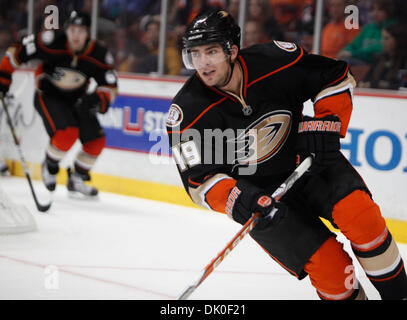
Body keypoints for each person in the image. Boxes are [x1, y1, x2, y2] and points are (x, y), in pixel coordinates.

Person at [166, 9, 407, 300]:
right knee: (331, 270)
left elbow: (335, 76)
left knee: (362, 218)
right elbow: (198, 182)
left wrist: (327, 121)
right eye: (194, 54)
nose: (202, 63)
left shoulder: (274, 61)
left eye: (211, 51)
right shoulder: (187, 112)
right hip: (261, 197)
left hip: (308, 162)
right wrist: (242, 199)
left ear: (232, 49)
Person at [0, 11, 118, 197]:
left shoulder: (99, 54)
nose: (76, 35)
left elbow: (110, 84)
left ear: (87, 32)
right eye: (72, 30)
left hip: (78, 100)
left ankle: (77, 178)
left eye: (80, 31)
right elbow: (17, 51)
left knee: (96, 141)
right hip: (48, 96)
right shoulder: (51, 42)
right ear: (66, 30)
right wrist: (3, 77)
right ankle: (51, 166)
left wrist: (98, 99)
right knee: (67, 134)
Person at [337, 0, 397, 65]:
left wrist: (353, 54)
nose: (375, 14)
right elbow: (353, 45)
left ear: (388, 11)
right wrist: (345, 51)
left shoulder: (392, 28)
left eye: (380, 10)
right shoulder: (368, 28)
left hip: (376, 63)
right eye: (373, 10)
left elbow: (378, 52)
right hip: (360, 61)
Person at [359, 23, 407, 90]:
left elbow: (402, 86)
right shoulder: (380, 58)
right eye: (382, 38)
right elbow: (366, 79)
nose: (382, 41)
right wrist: (363, 84)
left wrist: (379, 84)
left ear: (398, 39)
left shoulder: (404, 60)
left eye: (386, 38)